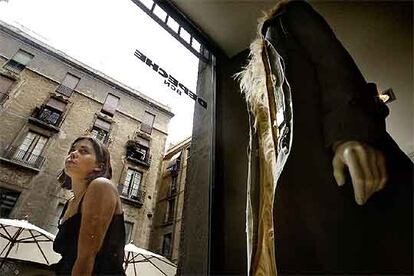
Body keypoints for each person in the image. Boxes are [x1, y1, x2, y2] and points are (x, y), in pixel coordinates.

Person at [238, 0, 413, 275]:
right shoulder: (254, 83)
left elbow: (331, 61)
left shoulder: (286, 19)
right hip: (298, 198)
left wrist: (350, 133)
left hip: (331, 169)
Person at [52, 136, 126, 275]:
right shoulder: (70, 203)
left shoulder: (101, 186)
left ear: (99, 166)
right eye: (73, 150)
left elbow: (86, 257)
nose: (73, 154)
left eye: (83, 151)